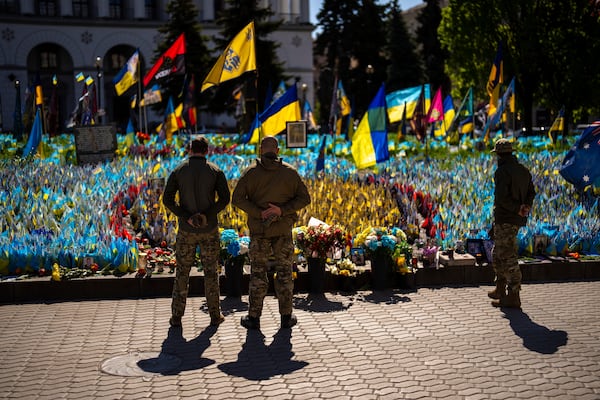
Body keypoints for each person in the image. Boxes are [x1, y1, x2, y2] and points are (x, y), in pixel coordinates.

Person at [232, 136, 311, 330]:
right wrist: (281, 210)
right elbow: (305, 199)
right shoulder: (290, 173)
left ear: (261, 151)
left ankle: (254, 317)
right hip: (283, 231)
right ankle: (286, 317)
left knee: (258, 274)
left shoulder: (251, 174)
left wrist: (259, 213)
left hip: (260, 233)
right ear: (277, 151)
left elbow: (237, 199)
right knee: (284, 273)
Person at [162, 137, 230, 328]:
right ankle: (215, 315)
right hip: (209, 229)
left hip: (186, 230)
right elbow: (225, 198)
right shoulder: (215, 171)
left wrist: (187, 217)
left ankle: (176, 316)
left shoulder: (179, 170)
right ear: (207, 150)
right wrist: (207, 215)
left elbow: (167, 199)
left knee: (182, 272)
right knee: (211, 272)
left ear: (190, 149)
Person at [488, 138, 536, 309]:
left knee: (507, 255)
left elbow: (502, 198)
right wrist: (525, 207)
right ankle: (500, 287)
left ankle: (513, 294)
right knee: (497, 253)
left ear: (499, 154)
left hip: (506, 217)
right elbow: (532, 192)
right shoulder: (523, 170)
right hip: (515, 218)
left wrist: (517, 208)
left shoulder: (502, 172)